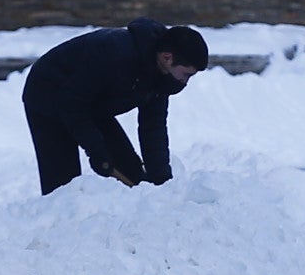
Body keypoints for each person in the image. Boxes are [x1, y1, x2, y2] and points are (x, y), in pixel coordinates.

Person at [22, 20, 211, 194]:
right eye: (186, 74)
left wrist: (162, 183)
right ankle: (57, 224)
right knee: (63, 185)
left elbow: (153, 129)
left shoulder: (161, 76)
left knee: (133, 175)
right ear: (167, 57)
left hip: (91, 104)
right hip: (48, 95)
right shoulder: (115, 53)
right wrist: (96, 150)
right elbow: (72, 104)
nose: (185, 82)